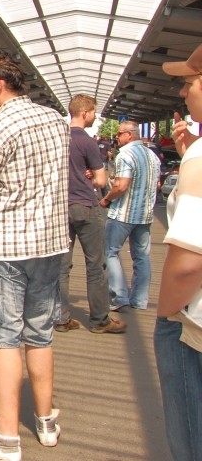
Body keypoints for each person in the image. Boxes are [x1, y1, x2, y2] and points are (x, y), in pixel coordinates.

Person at [0, 50, 70, 461]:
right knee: (40, 334)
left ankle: (6, 439)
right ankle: (46, 422)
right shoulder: (56, 120)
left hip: (5, 247)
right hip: (50, 244)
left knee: (4, 340)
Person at [157, 47, 202, 461]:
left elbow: (189, 262)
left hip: (192, 327)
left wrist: (166, 314)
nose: (184, 93)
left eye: (190, 82)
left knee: (190, 440)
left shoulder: (200, 160)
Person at [56, 95, 126, 334]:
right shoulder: (87, 142)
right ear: (85, 113)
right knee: (96, 265)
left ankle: (61, 318)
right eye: (94, 112)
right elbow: (101, 180)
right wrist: (89, 176)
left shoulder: (58, 138)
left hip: (60, 207)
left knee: (61, 267)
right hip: (85, 205)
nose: (95, 116)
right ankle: (99, 320)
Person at [100, 121, 161, 312]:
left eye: (119, 134)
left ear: (129, 135)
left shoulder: (125, 154)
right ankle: (140, 300)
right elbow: (157, 185)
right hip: (145, 215)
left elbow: (121, 185)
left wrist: (107, 199)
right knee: (142, 257)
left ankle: (119, 297)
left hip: (123, 214)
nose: (116, 137)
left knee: (110, 252)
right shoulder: (152, 156)